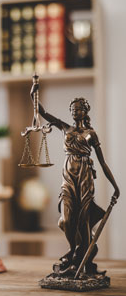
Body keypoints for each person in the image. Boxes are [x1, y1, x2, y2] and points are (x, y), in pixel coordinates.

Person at [30, 82, 120, 275]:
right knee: (66, 218)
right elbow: (43, 112)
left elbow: (103, 163)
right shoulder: (65, 128)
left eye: (78, 109)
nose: (74, 111)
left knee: (83, 220)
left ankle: (82, 259)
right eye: (72, 109)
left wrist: (115, 186)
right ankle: (74, 250)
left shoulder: (90, 134)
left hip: (85, 176)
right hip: (68, 176)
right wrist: (34, 94)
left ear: (85, 111)